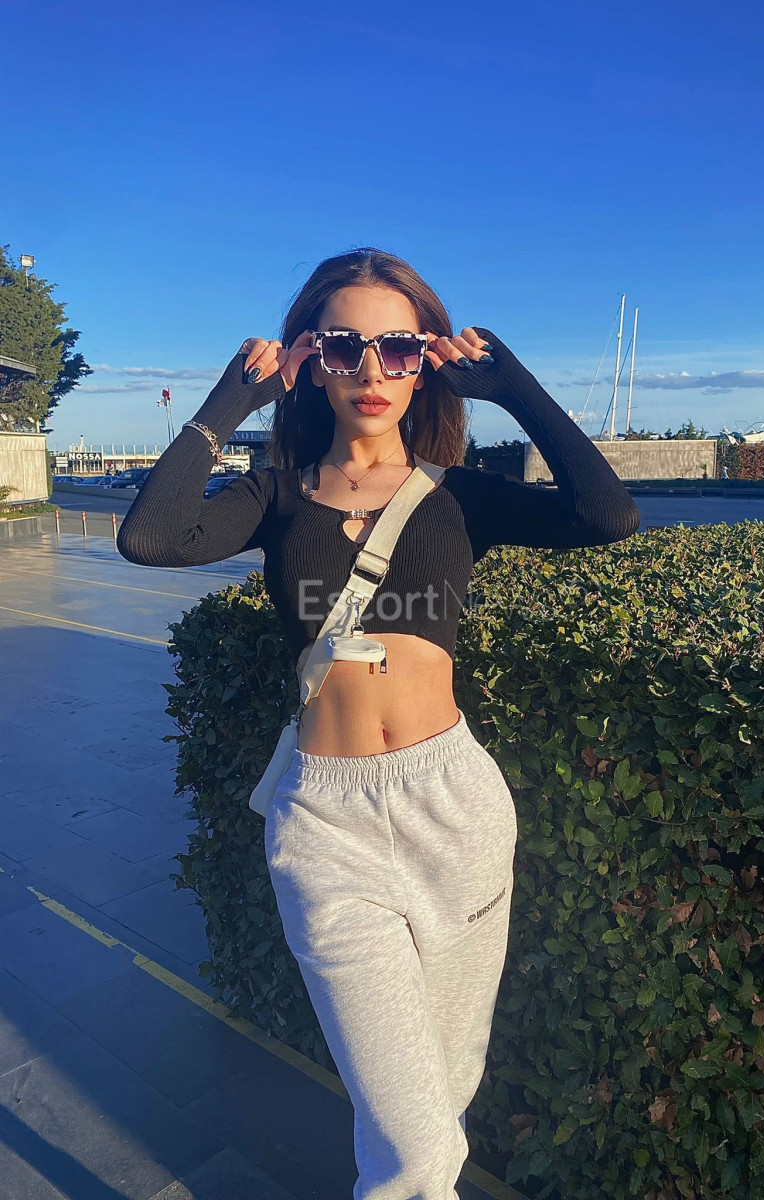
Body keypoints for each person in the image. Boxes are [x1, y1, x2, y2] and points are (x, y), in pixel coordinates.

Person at [116, 247, 640, 1200]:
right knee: (415, 1141)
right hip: (328, 827)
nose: (370, 369)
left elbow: (607, 516)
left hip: (455, 807)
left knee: (442, 1095)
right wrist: (231, 400)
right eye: (343, 346)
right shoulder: (277, 494)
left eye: (398, 347)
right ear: (310, 362)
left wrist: (511, 386)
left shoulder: (456, 494)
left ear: (426, 362)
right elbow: (150, 538)